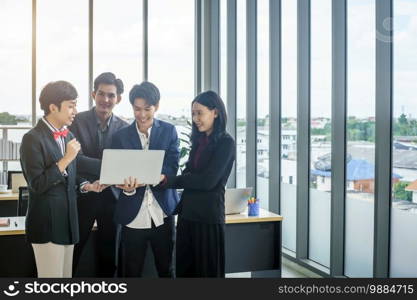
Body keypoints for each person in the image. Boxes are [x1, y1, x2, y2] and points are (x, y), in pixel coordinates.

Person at [20, 81, 103, 278]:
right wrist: (66, 159)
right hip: (47, 224)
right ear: (53, 107)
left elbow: (70, 176)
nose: (75, 110)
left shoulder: (69, 136)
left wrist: (87, 186)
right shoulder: (32, 138)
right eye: (71, 105)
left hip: (68, 223)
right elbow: (37, 184)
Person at [161, 90, 235, 277]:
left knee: (207, 273)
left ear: (215, 112)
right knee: (185, 271)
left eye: (199, 113)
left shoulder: (226, 143)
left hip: (208, 218)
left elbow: (208, 181)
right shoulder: (199, 141)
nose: (195, 118)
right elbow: (189, 174)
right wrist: (171, 180)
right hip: (187, 216)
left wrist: (170, 180)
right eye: (193, 113)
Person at [112, 81, 179, 277]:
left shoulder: (169, 131)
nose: (142, 115)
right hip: (133, 217)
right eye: (137, 109)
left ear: (156, 107)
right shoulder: (120, 136)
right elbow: (117, 172)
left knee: (167, 271)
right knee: (130, 273)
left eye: (147, 109)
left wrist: (154, 177)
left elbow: (172, 167)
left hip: (163, 213)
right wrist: (127, 187)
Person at [70, 72, 128, 277]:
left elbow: (124, 165)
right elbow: (75, 159)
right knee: (72, 254)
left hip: (112, 199)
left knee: (109, 257)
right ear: (93, 94)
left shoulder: (125, 128)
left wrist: (112, 169)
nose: (105, 100)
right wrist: (109, 167)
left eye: (111, 95)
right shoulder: (76, 121)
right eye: (101, 94)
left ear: (118, 99)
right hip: (82, 196)